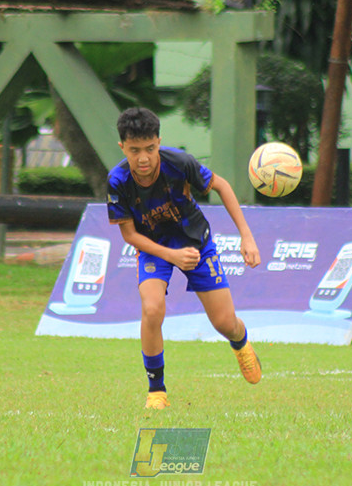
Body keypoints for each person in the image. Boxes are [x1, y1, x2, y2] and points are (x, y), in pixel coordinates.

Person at [107, 107, 262, 410]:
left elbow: (222, 186)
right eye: (135, 150)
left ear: (159, 142)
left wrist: (246, 235)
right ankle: (156, 391)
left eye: (150, 149)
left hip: (196, 244)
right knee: (152, 309)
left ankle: (241, 341)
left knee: (224, 323)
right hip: (155, 248)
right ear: (122, 147)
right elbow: (129, 235)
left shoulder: (180, 163)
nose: (143, 158)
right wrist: (171, 256)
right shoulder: (117, 181)